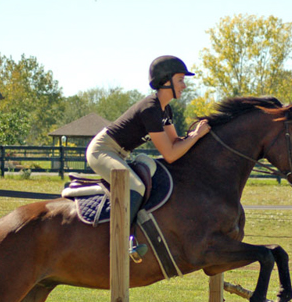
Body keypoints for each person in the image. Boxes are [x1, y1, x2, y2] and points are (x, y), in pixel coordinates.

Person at [86, 55, 211, 225]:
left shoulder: (165, 110)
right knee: (135, 186)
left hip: (118, 153)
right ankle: (120, 241)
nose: (184, 85)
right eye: (180, 80)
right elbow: (170, 155)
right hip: (101, 151)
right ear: (166, 80)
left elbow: (175, 142)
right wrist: (196, 135)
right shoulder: (150, 109)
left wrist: (199, 138)